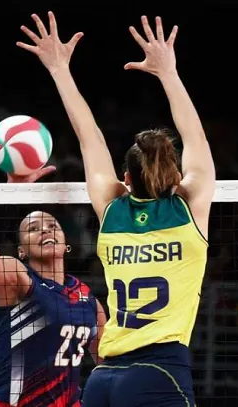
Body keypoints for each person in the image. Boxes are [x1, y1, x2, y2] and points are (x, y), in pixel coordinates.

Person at [18, 12, 214, 407]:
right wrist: (169, 73)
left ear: (125, 177)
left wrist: (59, 69)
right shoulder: (190, 208)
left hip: (103, 378)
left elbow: (88, 138)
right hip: (159, 374)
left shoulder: (111, 209)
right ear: (175, 175)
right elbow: (195, 135)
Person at [0, 168, 107, 407]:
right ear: (21, 251)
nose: (45, 230)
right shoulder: (19, 280)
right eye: (33, 229)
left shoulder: (88, 298)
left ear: (66, 244)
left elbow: (107, 364)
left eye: (52, 226)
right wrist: (12, 194)